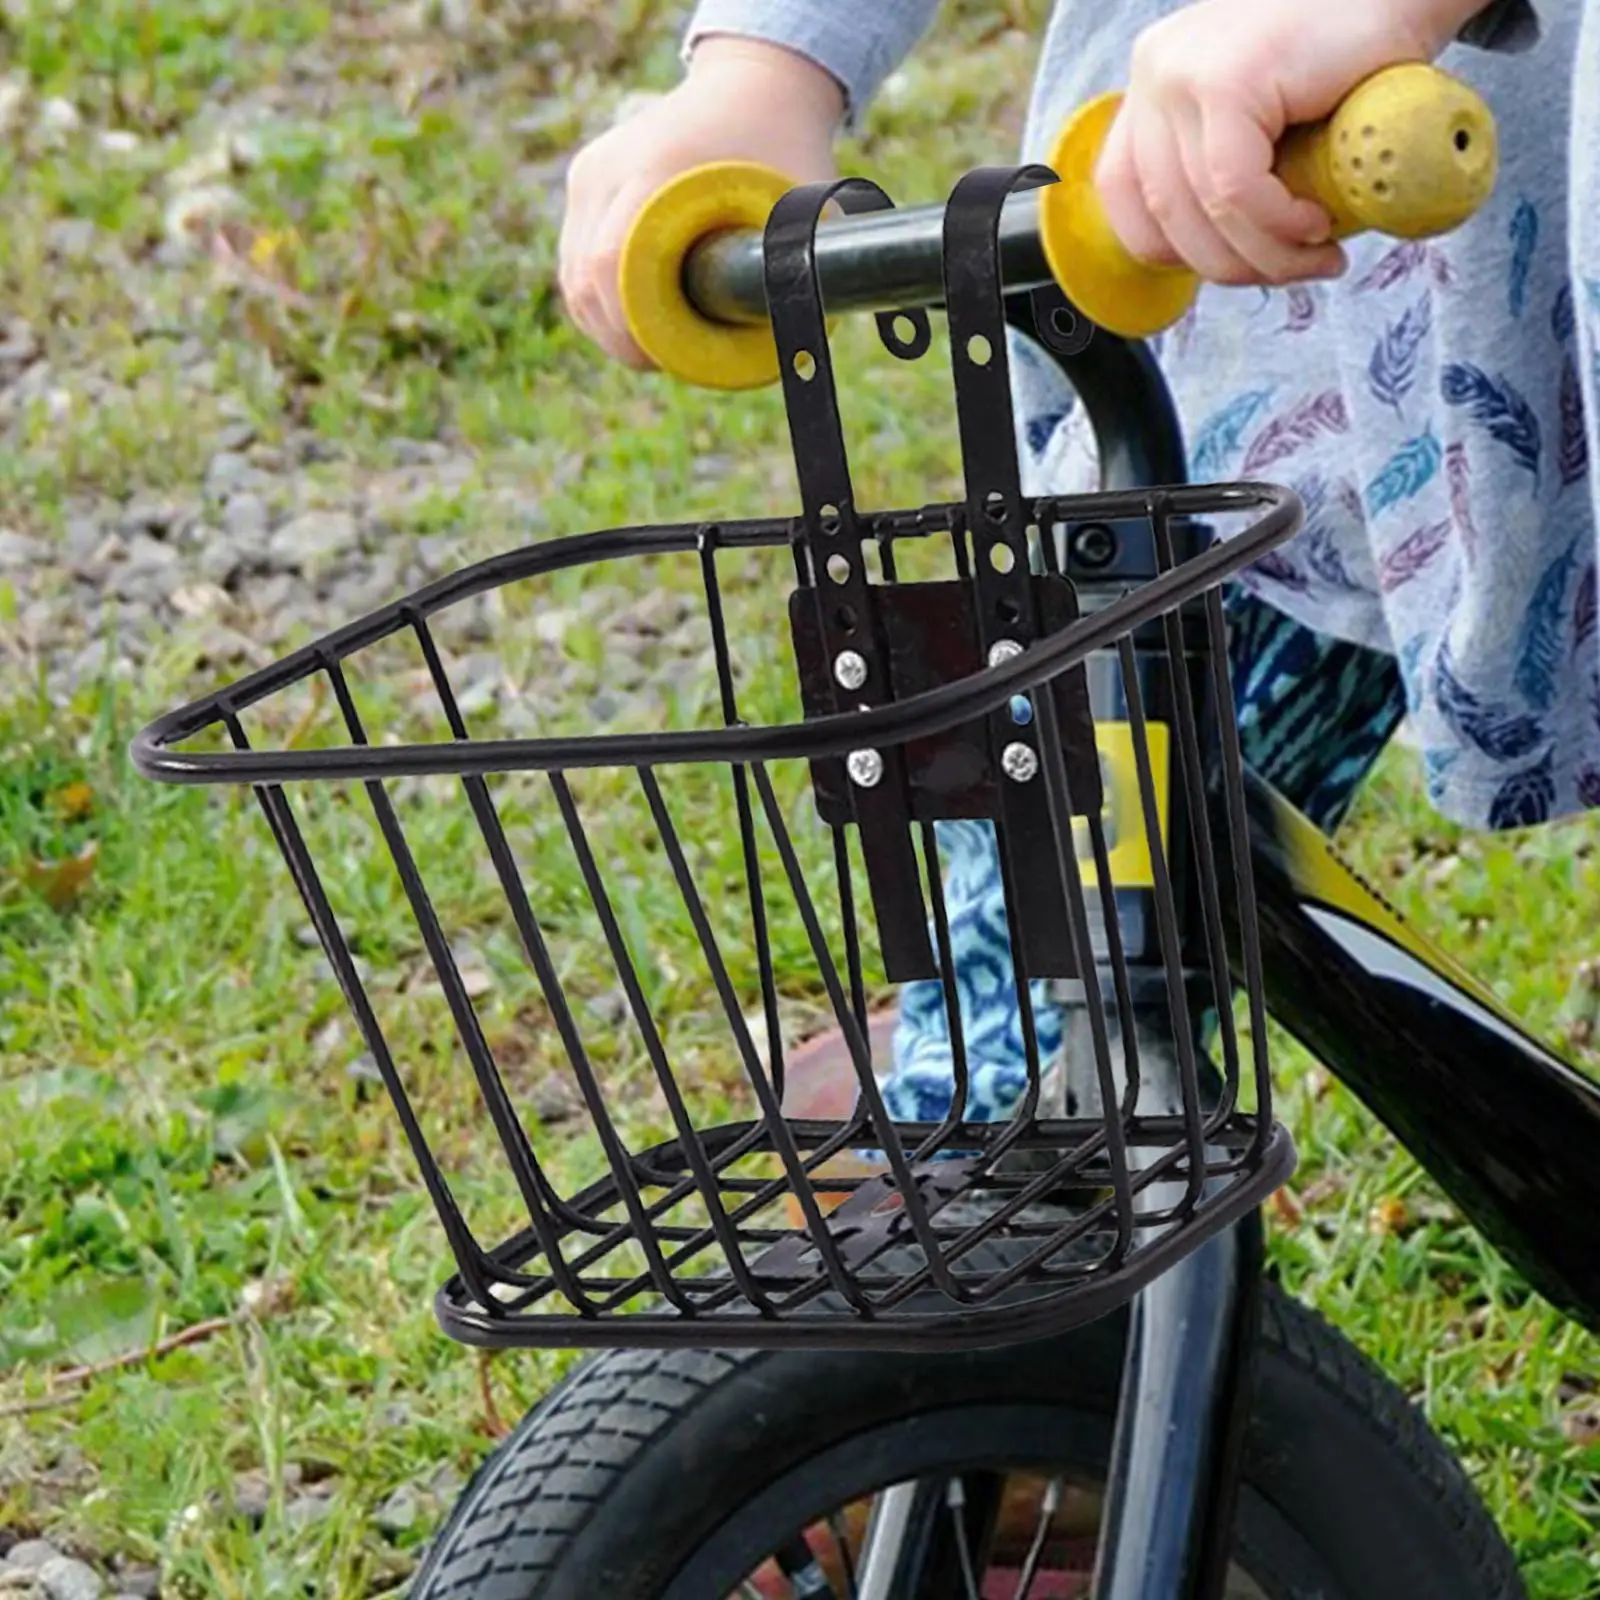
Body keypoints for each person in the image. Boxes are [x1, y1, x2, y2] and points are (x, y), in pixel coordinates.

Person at [559, 0, 1600, 1125]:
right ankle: (994, 1139)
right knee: (1063, 865)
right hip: (1224, 282)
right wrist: (768, 68)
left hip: (1526, 207)